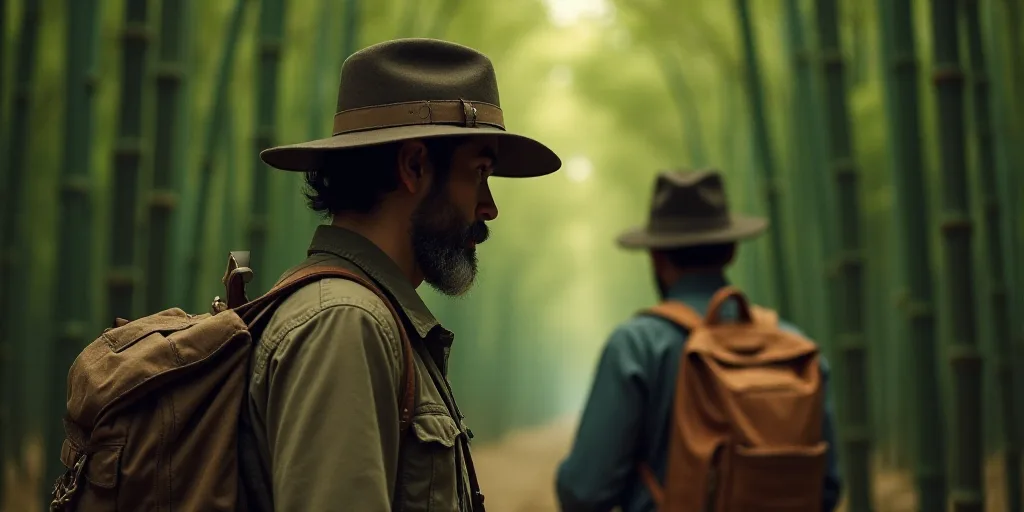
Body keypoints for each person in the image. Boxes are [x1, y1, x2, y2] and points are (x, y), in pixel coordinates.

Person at [239, 38, 561, 511]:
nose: (489, 207)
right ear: (414, 166)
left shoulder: (370, 318)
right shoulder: (345, 325)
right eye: (479, 172)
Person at [555, 170, 842, 512]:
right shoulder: (795, 347)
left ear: (657, 258)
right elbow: (827, 488)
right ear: (732, 251)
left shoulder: (637, 346)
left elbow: (586, 491)